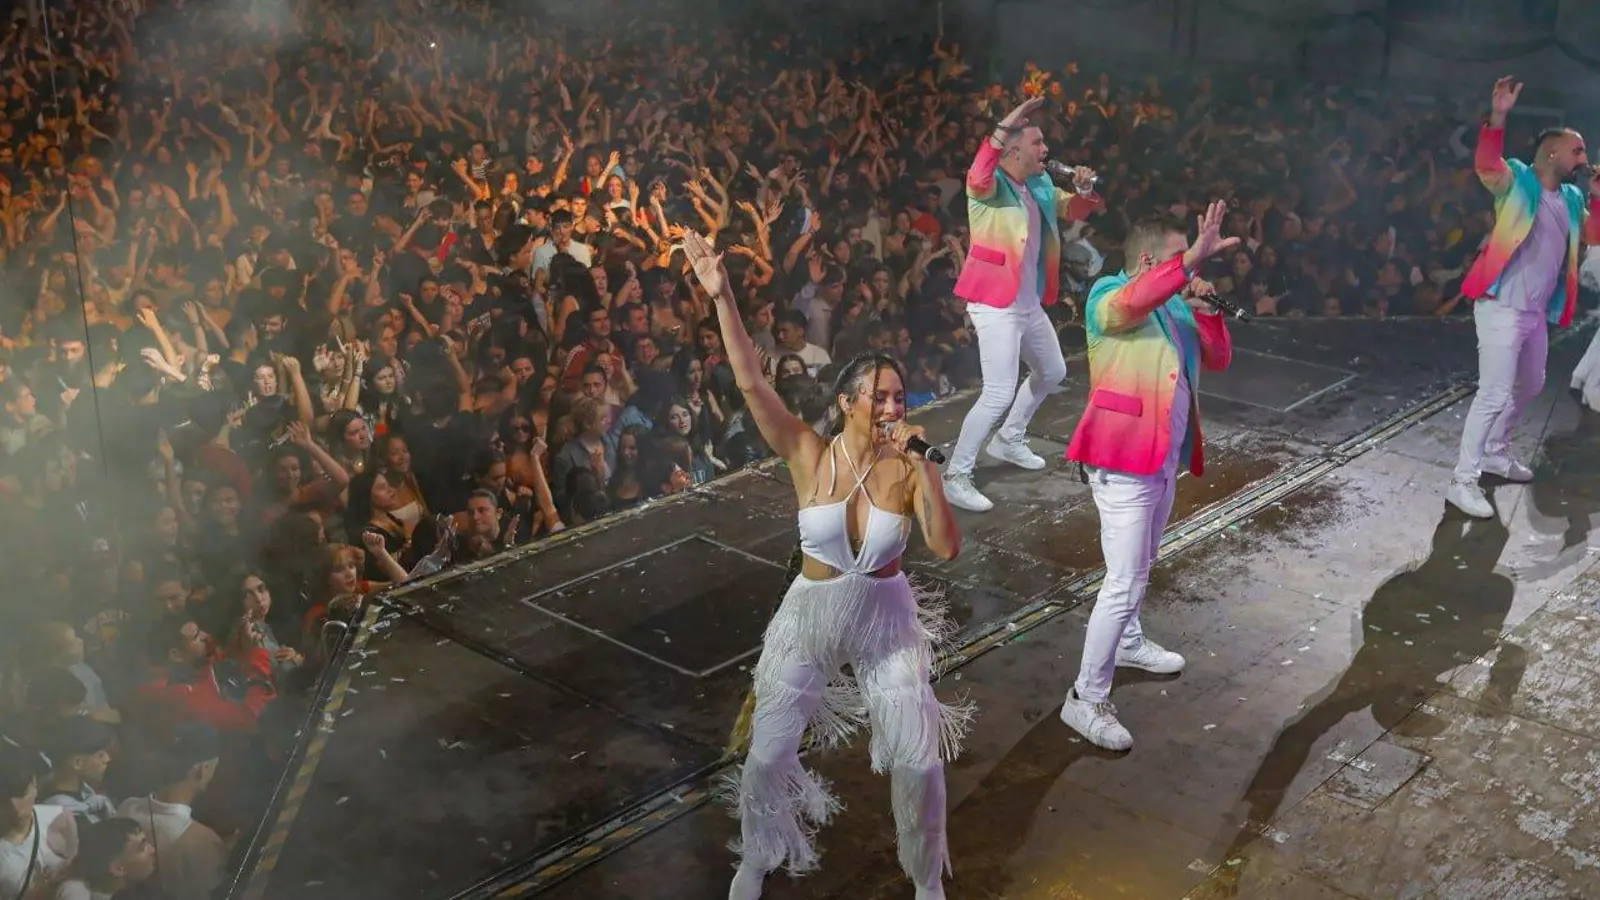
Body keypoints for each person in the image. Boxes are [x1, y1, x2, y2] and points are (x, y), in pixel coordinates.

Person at [681, 231, 966, 900]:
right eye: (880, 397)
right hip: (809, 616)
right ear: (846, 404)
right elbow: (751, 381)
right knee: (767, 754)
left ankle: (927, 880)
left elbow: (946, 547)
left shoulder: (909, 467)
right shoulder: (808, 452)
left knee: (920, 762)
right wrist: (722, 297)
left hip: (886, 623)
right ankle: (758, 856)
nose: (893, 408)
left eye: (900, 397)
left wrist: (928, 469)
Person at [1058, 205, 1238, 751]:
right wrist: (1188, 266)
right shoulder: (1107, 296)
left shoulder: (1175, 306)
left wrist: (1207, 310)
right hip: (1121, 462)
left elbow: (1219, 359)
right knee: (1124, 581)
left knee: (1141, 566)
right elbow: (1134, 302)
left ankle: (1129, 641)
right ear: (1146, 262)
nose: (1188, 269)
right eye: (1178, 259)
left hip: (1161, 459)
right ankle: (1085, 698)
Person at [942, 95, 1103, 512]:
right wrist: (1009, 120)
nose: (1045, 149)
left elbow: (1072, 209)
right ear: (1013, 150)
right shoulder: (987, 185)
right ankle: (955, 475)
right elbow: (980, 166)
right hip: (995, 303)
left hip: (1027, 301)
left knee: (1052, 370)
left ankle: (1008, 438)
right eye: (1037, 142)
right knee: (997, 393)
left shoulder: (1040, 183)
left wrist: (1084, 190)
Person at [1453, 77, 1600, 517]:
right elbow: (1487, 164)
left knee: (1532, 383)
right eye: (1578, 151)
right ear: (1553, 153)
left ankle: (1495, 452)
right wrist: (1498, 115)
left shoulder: (1571, 197)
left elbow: (1594, 235)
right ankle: (1462, 481)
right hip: (1500, 305)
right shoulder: (1517, 179)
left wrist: (1597, 195)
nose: (1585, 158)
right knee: (1494, 392)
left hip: (1534, 311)